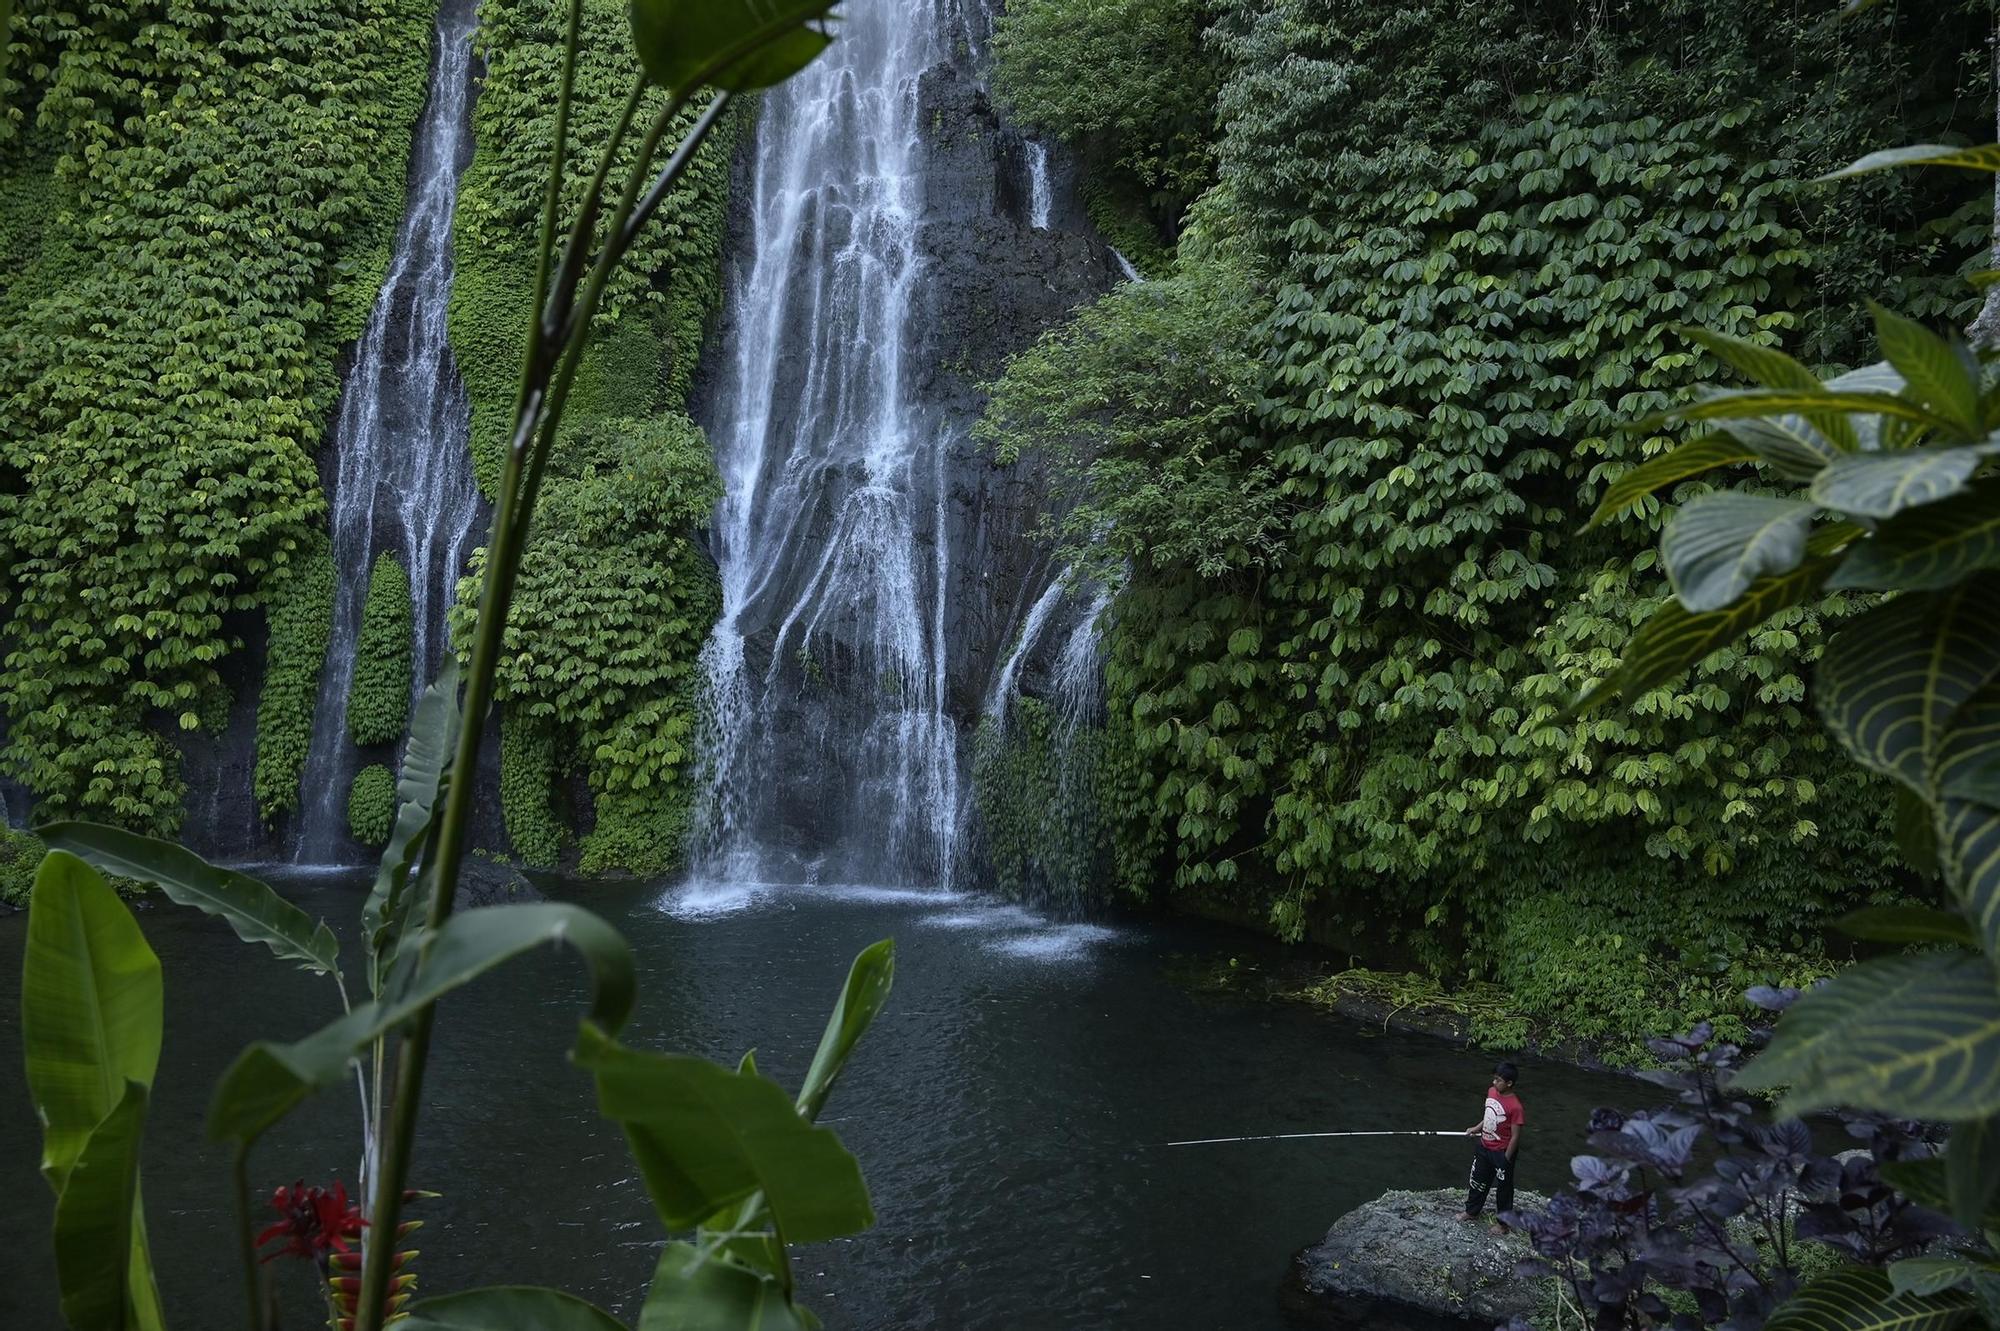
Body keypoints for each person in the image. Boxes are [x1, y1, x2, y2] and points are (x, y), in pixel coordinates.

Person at [1456, 1061, 1524, 1231]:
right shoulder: (1491, 1092)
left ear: (1509, 1083)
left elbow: (1515, 1137)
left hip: (1502, 1152)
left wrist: (1505, 1160)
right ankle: (1471, 1211)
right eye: (1494, 1079)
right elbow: (1488, 1116)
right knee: (1477, 1181)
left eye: (1498, 1080)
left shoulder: (1515, 1107)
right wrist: (1476, 1128)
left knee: (1504, 1190)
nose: (1494, 1083)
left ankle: (1503, 1225)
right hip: (1484, 1146)